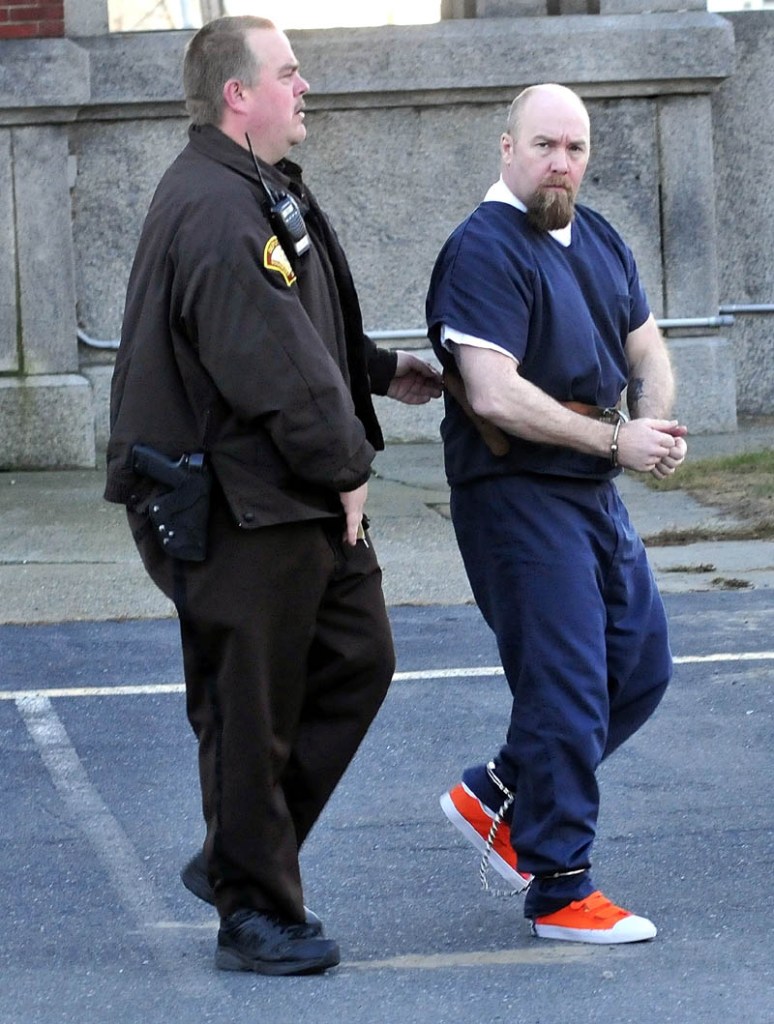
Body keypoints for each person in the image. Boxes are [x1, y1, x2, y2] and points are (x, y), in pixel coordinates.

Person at [105, 15, 441, 976]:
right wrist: (347, 466)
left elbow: (298, 323)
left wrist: (375, 370)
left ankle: (235, 859)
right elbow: (269, 362)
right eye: (289, 74)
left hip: (278, 488)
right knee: (248, 709)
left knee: (356, 656)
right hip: (236, 501)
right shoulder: (214, 205)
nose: (305, 89)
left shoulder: (254, 185)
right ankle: (256, 910)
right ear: (235, 95)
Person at [425, 83, 687, 945]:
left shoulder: (599, 236)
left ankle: (498, 792)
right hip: (517, 496)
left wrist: (653, 419)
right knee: (567, 686)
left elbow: (645, 346)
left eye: (574, 148)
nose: (560, 163)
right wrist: (617, 443)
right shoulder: (484, 250)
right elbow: (494, 395)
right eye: (544, 145)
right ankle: (559, 887)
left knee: (639, 666)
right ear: (507, 148)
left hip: (588, 489)